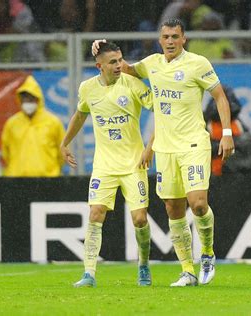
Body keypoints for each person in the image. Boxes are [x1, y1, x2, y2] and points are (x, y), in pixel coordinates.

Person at [92, 18, 235, 287]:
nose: (170, 41)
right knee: (173, 208)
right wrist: (101, 49)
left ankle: (207, 254)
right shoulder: (152, 64)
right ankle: (187, 270)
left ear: (184, 39)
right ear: (160, 40)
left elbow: (219, 96)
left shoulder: (198, 63)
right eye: (165, 37)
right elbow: (120, 68)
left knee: (198, 203)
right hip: (165, 149)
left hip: (193, 143)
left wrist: (226, 133)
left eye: (174, 36)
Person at [61, 41, 154, 288]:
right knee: (95, 213)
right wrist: (64, 143)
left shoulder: (133, 84)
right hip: (104, 165)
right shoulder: (88, 88)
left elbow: (162, 111)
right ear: (99, 66)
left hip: (134, 164)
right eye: (113, 62)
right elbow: (80, 115)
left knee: (140, 220)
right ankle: (89, 273)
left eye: (121, 60)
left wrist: (150, 147)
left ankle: (143, 264)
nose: (119, 65)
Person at [1, 75, 65, 177]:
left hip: (48, 180)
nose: (27, 102)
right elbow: (6, 153)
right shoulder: (12, 123)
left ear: (38, 100)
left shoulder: (53, 122)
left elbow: (62, 153)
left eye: (31, 99)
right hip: (17, 180)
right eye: (24, 99)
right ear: (20, 100)